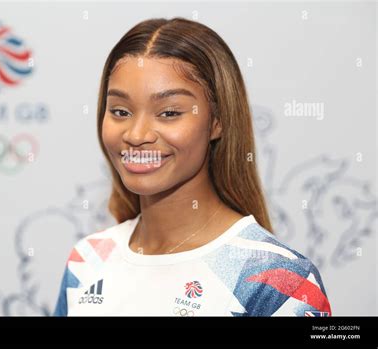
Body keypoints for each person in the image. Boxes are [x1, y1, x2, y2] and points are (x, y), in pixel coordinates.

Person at [54, 17, 331, 316]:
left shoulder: (278, 282)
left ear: (217, 121)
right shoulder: (88, 260)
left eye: (169, 112)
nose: (136, 135)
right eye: (120, 111)